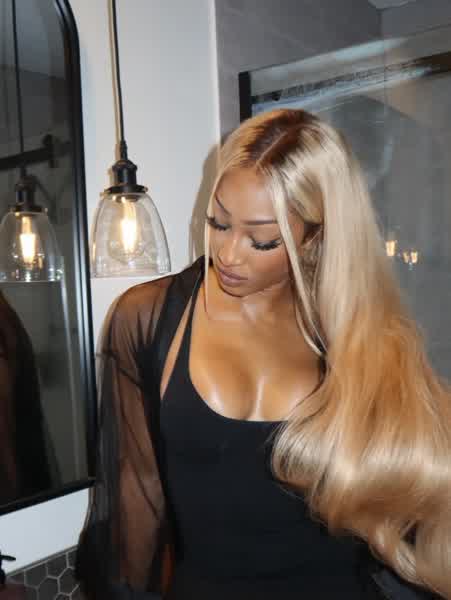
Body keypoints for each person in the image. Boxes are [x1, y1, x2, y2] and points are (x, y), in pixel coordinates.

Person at [75, 109, 450, 599]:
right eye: (219, 223)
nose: (229, 255)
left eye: (262, 239)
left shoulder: (359, 333)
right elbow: (137, 488)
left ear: (315, 235)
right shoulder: (148, 318)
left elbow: (412, 499)